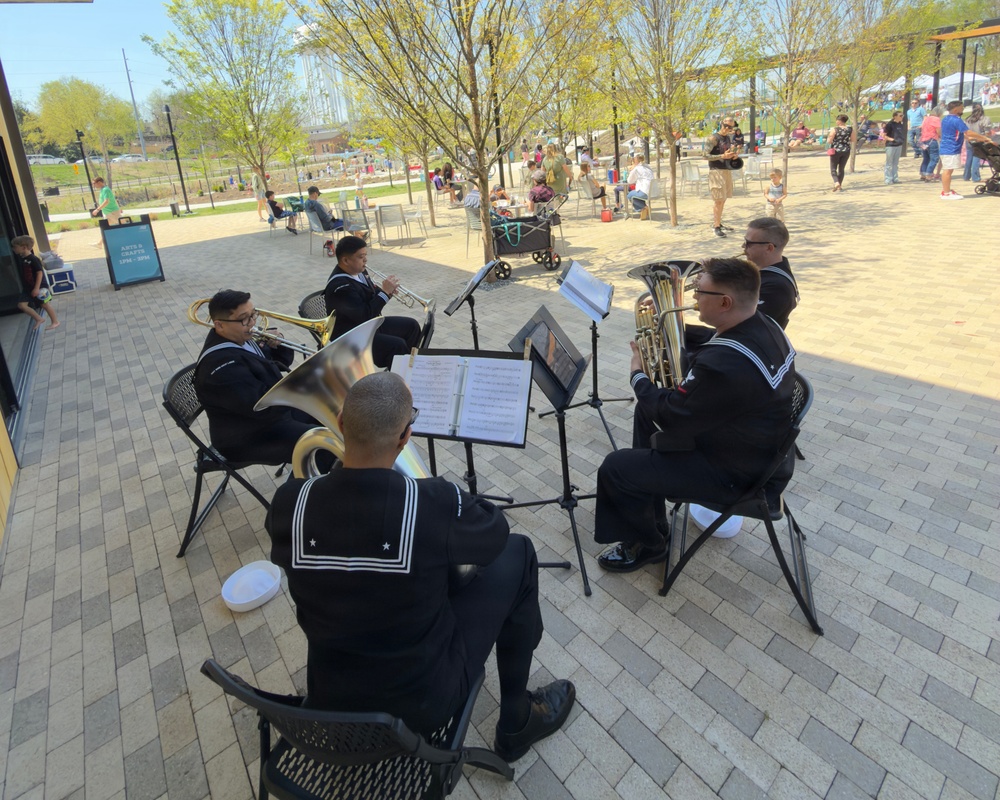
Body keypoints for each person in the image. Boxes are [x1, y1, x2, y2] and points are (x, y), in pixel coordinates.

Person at [266, 372, 576, 759]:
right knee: (520, 553)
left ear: (341, 424)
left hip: (332, 694)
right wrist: (444, 493)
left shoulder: (288, 502)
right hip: (421, 705)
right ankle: (516, 721)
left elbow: (340, 540)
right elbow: (495, 533)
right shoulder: (433, 503)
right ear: (405, 436)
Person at [593, 258, 796, 572]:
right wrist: (669, 327)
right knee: (645, 417)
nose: (693, 299)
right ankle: (649, 511)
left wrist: (638, 375)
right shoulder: (764, 325)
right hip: (758, 450)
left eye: (700, 293)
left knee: (615, 467)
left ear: (725, 302)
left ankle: (650, 544)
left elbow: (673, 413)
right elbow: (716, 346)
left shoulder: (723, 363)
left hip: (737, 475)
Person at [193, 289, 317, 465]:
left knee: (335, 416)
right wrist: (301, 386)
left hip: (270, 417)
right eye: (244, 318)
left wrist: (277, 345)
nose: (252, 322)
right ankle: (311, 487)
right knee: (323, 440)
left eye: (253, 315)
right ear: (219, 325)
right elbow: (261, 406)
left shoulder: (240, 338)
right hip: (248, 437)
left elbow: (277, 364)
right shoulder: (222, 368)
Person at [323, 235, 420, 369]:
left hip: (369, 325)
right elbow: (365, 315)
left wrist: (387, 291)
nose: (365, 259)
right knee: (397, 345)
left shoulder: (360, 272)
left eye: (365, 255)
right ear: (345, 260)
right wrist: (384, 293)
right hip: (352, 337)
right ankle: (399, 380)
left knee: (412, 326)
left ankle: (407, 368)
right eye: (360, 256)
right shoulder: (341, 287)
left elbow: (370, 298)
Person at [11, 235, 60, 331]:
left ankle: (55, 322)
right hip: (29, 287)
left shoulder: (33, 259)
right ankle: (39, 318)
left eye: (15, 247)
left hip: (40, 287)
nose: (13, 249)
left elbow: (39, 273)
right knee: (22, 305)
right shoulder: (22, 259)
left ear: (24, 247)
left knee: (44, 304)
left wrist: (37, 288)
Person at [704, 117, 740, 236]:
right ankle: (716, 226)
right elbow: (705, 155)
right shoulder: (713, 138)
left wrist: (733, 156)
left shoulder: (728, 138)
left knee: (723, 199)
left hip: (726, 170)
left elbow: (726, 154)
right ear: (722, 125)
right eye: (728, 127)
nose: (730, 129)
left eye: (732, 127)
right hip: (716, 172)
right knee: (718, 200)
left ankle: (718, 222)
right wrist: (721, 156)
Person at [939, 100, 968, 200]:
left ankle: (947, 190)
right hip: (950, 148)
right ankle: (946, 193)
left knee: (949, 170)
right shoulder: (956, 120)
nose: (963, 109)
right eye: (961, 107)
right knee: (947, 170)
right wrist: (984, 138)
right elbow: (967, 132)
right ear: (956, 109)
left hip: (948, 147)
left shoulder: (946, 119)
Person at [963, 103, 991, 183]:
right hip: (980, 140)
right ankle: (976, 177)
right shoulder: (985, 119)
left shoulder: (967, 119)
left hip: (969, 140)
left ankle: (966, 176)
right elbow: (987, 132)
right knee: (976, 158)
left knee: (969, 158)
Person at [828, 114, 854, 192]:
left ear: (839, 121)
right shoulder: (850, 129)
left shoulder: (835, 129)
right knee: (841, 169)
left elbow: (829, 140)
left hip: (836, 150)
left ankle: (836, 182)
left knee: (833, 168)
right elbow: (853, 139)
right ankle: (840, 185)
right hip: (846, 150)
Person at [626, 154, 654, 220]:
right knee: (635, 194)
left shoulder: (637, 168)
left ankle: (644, 208)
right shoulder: (648, 167)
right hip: (653, 192)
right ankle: (643, 210)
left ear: (635, 161)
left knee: (629, 195)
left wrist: (631, 170)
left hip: (644, 192)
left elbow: (629, 181)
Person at [919, 106, 942, 182]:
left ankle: (923, 174)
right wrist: (941, 137)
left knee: (926, 158)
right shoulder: (936, 119)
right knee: (934, 158)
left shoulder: (927, 118)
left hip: (923, 139)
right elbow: (938, 131)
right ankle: (929, 175)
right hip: (932, 140)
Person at [882, 111, 905, 185]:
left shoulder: (900, 124)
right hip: (891, 145)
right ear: (895, 116)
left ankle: (895, 178)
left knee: (895, 163)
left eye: (902, 116)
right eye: (900, 116)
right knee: (889, 163)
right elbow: (884, 135)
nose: (902, 117)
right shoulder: (890, 124)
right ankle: (888, 179)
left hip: (898, 145)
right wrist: (892, 140)